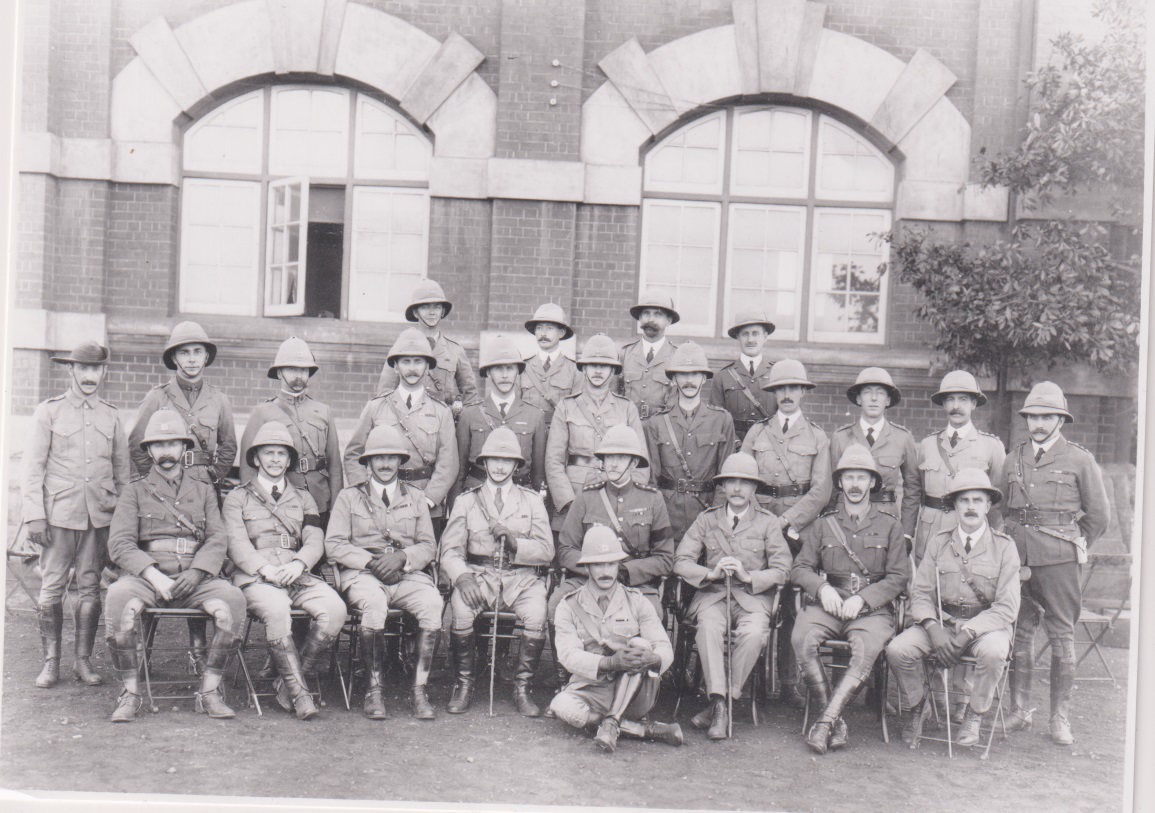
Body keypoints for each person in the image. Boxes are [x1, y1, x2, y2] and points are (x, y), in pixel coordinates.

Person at [104, 410, 248, 722]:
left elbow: (217, 538)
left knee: (233, 601)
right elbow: (120, 544)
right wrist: (153, 575)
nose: (166, 452)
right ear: (148, 450)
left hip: (194, 578)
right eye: (158, 445)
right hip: (149, 578)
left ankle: (209, 692)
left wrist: (198, 572)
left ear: (184, 448)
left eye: (173, 444)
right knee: (117, 598)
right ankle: (129, 693)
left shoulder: (203, 487)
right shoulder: (135, 490)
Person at [999, 382, 1111, 745]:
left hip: (1060, 561)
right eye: (1033, 417)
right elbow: (1003, 509)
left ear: (1060, 420)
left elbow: (1098, 515)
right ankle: (1019, 710)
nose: (1039, 423)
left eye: (1047, 417)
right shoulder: (1012, 458)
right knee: (1020, 634)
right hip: (1018, 559)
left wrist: (1074, 545)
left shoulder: (1080, 459)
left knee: (1062, 637)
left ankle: (1059, 718)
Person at [21, 341, 130, 689]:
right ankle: (51, 663)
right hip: (58, 516)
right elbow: (32, 468)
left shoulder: (112, 416)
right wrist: (34, 516)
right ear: (70, 371)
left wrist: (123, 524)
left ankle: (82, 661)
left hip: (99, 517)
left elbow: (122, 476)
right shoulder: (49, 412)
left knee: (90, 588)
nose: (89, 376)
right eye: (82, 368)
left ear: (103, 372)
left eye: (95, 369)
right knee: (51, 588)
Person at [887, 469, 1020, 748]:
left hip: (985, 627)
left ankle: (975, 713)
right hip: (942, 623)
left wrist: (968, 633)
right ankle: (918, 707)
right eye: (964, 501)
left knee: (995, 652)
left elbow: (1007, 607)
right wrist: (933, 628)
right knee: (898, 650)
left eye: (977, 500)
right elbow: (921, 593)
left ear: (987, 506)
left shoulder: (1005, 547)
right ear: (955, 506)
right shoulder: (938, 542)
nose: (970, 507)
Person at [223, 423, 347, 720]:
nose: (275, 459)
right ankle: (300, 693)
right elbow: (236, 543)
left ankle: (286, 682)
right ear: (255, 459)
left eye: (281, 454)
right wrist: (264, 568)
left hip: (295, 572)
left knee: (336, 609)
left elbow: (315, 538)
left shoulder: (304, 498)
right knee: (278, 609)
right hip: (255, 576)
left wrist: (300, 563)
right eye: (268, 453)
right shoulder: (237, 498)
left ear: (289, 460)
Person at [791, 445, 909, 754]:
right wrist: (822, 589)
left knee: (865, 648)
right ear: (840, 483)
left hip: (871, 612)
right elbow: (800, 567)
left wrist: (865, 599)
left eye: (862, 478)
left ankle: (824, 722)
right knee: (802, 637)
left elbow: (898, 577)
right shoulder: (823, 524)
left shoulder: (890, 526)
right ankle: (836, 723)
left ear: (872, 483)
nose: (855, 485)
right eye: (848, 478)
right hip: (828, 604)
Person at [325, 424, 443, 720]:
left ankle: (419, 690)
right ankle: (374, 689)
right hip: (363, 575)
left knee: (432, 603)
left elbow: (429, 545)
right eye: (379, 458)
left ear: (401, 461)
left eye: (392, 458)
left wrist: (403, 558)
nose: (386, 464)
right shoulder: (349, 497)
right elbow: (335, 545)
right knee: (374, 605)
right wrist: (370, 563)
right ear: (367, 462)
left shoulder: (416, 497)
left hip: (406, 574)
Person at [674, 453, 793, 740]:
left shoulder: (768, 522)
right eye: (731, 482)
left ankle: (721, 703)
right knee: (708, 628)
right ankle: (719, 701)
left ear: (754, 489)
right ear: (723, 487)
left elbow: (783, 569)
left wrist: (749, 575)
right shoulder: (707, 519)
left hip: (752, 599)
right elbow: (680, 561)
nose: (738, 489)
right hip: (714, 596)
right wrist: (711, 573)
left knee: (754, 634)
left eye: (745, 483)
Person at [440, 427, 554, 716]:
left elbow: (546, 550)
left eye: (507, 461)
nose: (500, 466)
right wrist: (462, 577)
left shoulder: (532, 501)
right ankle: (464, 684)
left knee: (537, 614)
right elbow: (450, 550)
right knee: (462, 610)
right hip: (479, 576)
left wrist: (517, 544)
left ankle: (522, 688)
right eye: (494, 460)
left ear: (516, 465)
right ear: (484, 463)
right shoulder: (467, 501)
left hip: (521, 580)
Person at [740, 358, 832, 706]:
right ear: (774, 393)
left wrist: (787, 521)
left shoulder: (818, 437)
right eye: (782, 389)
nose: (788, 394)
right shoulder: (757, 433)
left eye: (794, 388)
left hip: (798, 530)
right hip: (757, 523)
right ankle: (751, 680)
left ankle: (790, 680)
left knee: (795, 602)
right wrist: (760, 520)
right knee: (755, 595)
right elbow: (741, 480)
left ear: (804, 393)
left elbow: (821, 491)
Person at [550, 526, 683, 753]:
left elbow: (663, 647)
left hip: (635, 692)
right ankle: (641, 729)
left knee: (640, 645)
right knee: (560, 706)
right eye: (599, 564)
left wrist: (652, 659)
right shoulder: (568, 605)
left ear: (618, 565)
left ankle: (613, 722)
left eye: (611, 564)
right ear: (587, 566)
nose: (606, 571)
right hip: (591, 690)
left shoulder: (637, 601)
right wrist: (610, 663)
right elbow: (567, 655)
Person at [344, 328, 459, 527]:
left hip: (426, 505)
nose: (412, 368)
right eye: (405, 362)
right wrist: (366, 492)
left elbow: (448, 463)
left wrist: (429, 499)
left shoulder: (441, 412)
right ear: (395, 366)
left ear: (427, 367)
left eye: (418, 362)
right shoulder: (375, 407)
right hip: (381, 501)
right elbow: (353, 454)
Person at [239, 336, 343, 529]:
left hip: (319, 498)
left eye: (303, 370)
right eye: (292, 369)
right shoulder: (262, 412)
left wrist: (336, 506)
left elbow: (335, 464)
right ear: (279, 373)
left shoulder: (323, 411)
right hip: (279, 500)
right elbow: (248, 467)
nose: (299, 375)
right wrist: (254, 504)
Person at [544, 333, 644, 533]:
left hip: (616, 495)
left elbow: (640, 463)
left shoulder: (626, 408)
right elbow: (553, 460)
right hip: (574, 493)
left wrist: (627, 499)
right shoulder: (566, 407)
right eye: (592, 364)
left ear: (613, 370)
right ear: (584, 368)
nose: (598, 370)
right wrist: (569, 503)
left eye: (604, 365)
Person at [128, 321, 237, 495]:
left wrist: (214, 477)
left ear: (206, 357)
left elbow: (229, 446)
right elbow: (136, 445)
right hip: (163, 484)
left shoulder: (219, 399)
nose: (192, 359)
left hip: (204, 486)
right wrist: (154, 479)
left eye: (197, 352)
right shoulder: (156, 398)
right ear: (174, 358)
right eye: (184, 353)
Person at [645, 341, 736, 543]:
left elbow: (726, 476)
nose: (689, 380)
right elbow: (651, 480)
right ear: (674, 378)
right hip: (667, 515)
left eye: (695, 374)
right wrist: (656, 520)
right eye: (683, 374)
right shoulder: (657, 423)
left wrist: (715, 515)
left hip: (706, 512)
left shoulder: (721, 420)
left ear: (704, 378)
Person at [914, 370, 1006, 563]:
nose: (956, 406)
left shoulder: (991, 446)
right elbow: (919, 493)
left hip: (971, 534)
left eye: (963, 399)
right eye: (950, 399)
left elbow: (998, 504)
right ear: (943, 404)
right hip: (931, 534)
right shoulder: (927, 445)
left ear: (973, 404)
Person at [828, 368, 920, 542]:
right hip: (847, 516)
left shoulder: (902, 438)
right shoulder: (840, 438)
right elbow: (832, 489)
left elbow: (913, 489)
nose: (874, 398)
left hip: (886, 517)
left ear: (888, 400)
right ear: (858, 398)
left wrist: (907, 532)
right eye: (867, 392)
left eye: (880, 393)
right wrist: (830, 524)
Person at [456, 334, 546, 495]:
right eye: (498, 368)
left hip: (520, 496)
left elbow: (538, 475)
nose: (505, 375)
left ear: (517, 372)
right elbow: (459, 473)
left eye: (510, 368)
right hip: (478, 495)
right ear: (488, 372)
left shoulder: (534, 416)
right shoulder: (470, 415)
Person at [375, 279, 478, 417]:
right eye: (425, 307)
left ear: (442, 312)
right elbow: (385, 393)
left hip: (443, 425)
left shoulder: (455, 351)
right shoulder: (401, 347)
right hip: (409, 424)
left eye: (437, 307)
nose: (431, 312)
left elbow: (470, 395)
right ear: (416, 313)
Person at [708, 311, 778, 446]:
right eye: (745, 334)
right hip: (732, 449)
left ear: (765, 337)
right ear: (738, 337)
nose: (750, 340)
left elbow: (784, 417)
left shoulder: (777, 374)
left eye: (755, 333)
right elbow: (716, 420)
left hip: (769, 447)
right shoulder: (723, 376)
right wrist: (737, 446)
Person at [615, 288, 680, 420]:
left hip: (663, 432)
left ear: (668, 320)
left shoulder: (677, 356)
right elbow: (613, 396)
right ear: (639, 318)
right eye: (646, 313)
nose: (651, 319)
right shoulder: (624, 354)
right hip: (629, 429)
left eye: (658, 314)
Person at [520, 302, 581, 433]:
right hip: (527, 432)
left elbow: (577, 412)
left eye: (549, 328)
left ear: (561, 332)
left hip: (559, 433)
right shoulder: (522, 368)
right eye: (539, 328)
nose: (543, 333)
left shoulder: (574, 370)